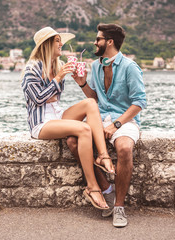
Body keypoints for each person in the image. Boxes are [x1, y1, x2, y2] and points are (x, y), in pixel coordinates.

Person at [21, 27, 116, 210]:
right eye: (57, 41)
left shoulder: (56, 66)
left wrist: (80, 81)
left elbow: (54, 98)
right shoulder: (31, 69)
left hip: (56, 115)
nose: (61, 44)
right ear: (47, 44)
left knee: (90, 103)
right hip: (41, 123)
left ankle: (103, 156)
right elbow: (39, 99)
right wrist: (58, 78)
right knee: (84, 129)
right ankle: (92, 186)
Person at [69, 23, 147, 227]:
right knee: (73, 141)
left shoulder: (131, 67)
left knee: (124, 148)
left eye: (98, 39)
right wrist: (82, 83)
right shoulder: (95, 66)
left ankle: (119, 207)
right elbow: (95, 99)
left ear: (109, 42)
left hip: (124, 119)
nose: (95, 43)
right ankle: (107, 191)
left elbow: (139, 102)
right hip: (100, 117)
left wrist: (116, 124)